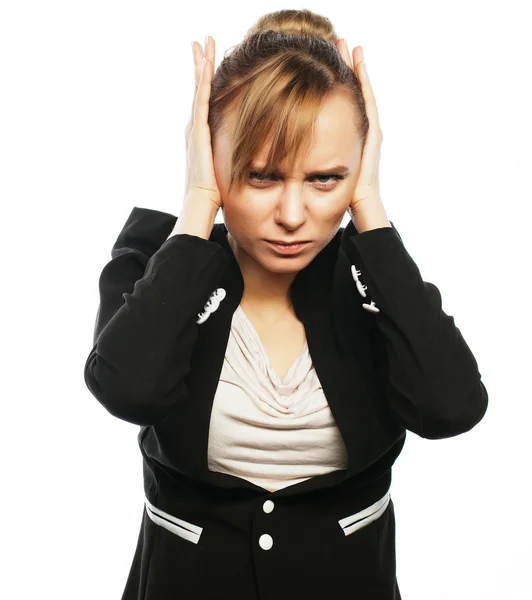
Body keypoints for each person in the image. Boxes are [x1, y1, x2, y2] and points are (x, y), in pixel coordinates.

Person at [83, 9, 488, 600]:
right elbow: (129, 389)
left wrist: (369, 206)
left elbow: (451, 408)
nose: (294, 216)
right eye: (262, 176)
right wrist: (199, 199)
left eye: (326, 179)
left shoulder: (373, 280)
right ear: (214, 159)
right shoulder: (155, 260)